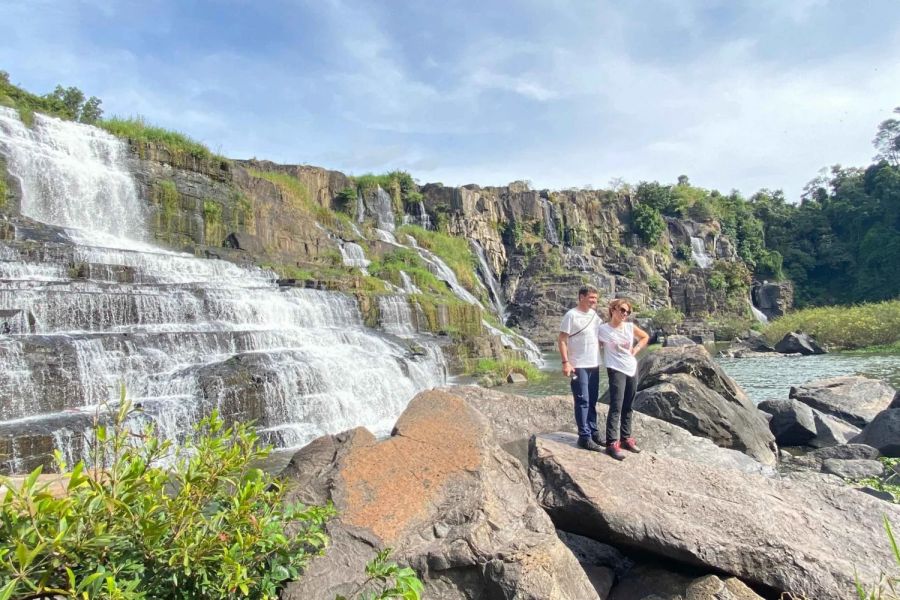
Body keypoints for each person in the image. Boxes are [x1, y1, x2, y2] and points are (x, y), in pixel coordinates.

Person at [598, 298, 649, 461]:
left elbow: (645, 337)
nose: (624, 314)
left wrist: (636, 349)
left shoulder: (629, 327)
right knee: (616, 405)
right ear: (613, 310)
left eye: (627, 312)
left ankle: (626, 438)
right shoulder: (603, 329)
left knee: (628, 405)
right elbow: (593, 344)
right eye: (622, 310)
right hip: (616, 369)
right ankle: (612, 443)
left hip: (631, 368)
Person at [558, 285, 603, 451]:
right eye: (591, 298)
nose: (594, 302)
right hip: (578, 364)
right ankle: (584, 436)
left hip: (594, 363)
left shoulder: (594, 315)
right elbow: (562, 339)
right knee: (582, 400)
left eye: (596, 299)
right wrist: (565, 362)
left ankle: (593, 431)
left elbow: (600, 335)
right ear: (581, 297)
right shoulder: (571, 315)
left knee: (592, 400)